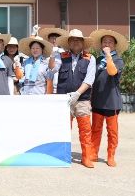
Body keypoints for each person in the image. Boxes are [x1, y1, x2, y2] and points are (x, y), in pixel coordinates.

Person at [55, 29, 96, 168]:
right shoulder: (61, 56)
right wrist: (52, 56)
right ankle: (63, 156)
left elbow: (89, 79)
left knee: (85, 130)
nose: (75, 42)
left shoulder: (90, 58)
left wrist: (77, 93)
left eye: (78, 39)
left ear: (83, 43)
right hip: (64, 100)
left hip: (82, 99)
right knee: (63, 130)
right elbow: (52, 71)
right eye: (72, 39)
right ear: (68, 42)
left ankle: (86, 157)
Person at [89, 29, 129, 167]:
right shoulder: (97, 60)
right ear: (101, 44)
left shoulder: (118, 60)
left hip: (112, 101)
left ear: (115, 45)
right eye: (104, 42)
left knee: (112, 132)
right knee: (95, 129)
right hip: (97, 100)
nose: (107, 44)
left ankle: (111, 156)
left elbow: (112, 72)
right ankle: (93, 153)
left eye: (110, 42)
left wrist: (108, 56)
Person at [38, 27, 68, 94]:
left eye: (56, 39)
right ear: (48, 39)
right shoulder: (43, 52)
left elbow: (54, 69)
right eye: (52, 38)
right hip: (42, 88)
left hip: (59, 87)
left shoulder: (64, 53)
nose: (54, 41)